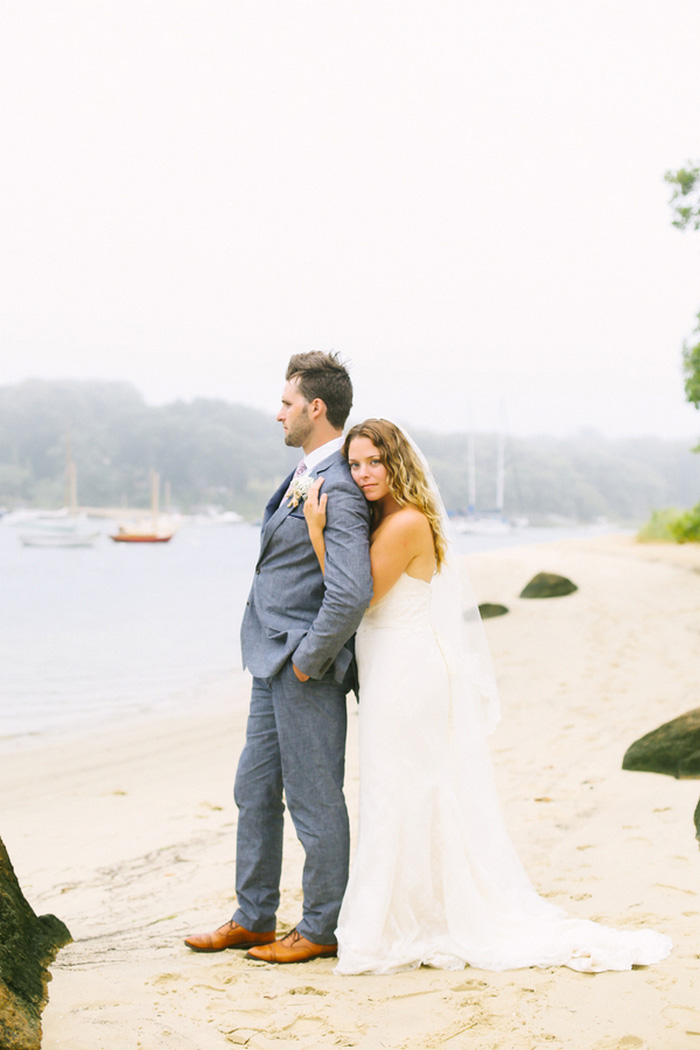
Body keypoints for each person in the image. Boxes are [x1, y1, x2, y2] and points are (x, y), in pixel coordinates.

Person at [302, 418, 672, 975]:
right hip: (397, 669)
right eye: (354, 464)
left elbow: (358, 598)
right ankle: (413, 910)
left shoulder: (404, 523)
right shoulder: (395, 518)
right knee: (404, 789)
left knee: (397, 790)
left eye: (373, 461)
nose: (363, 473)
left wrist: (315, 533)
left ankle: (401, 920)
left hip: (408, 672)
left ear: (396, 461)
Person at [184, 353, 373, 964]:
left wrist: (307, 661)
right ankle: (254, 916)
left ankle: (320, 929)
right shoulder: (306, 472)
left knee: (316, 799)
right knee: (254, 789)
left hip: (302, 666)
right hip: (269, 661)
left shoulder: (340, 487)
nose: (279, 413)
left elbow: (350, 591)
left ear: (315, 409)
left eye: (287, 403)